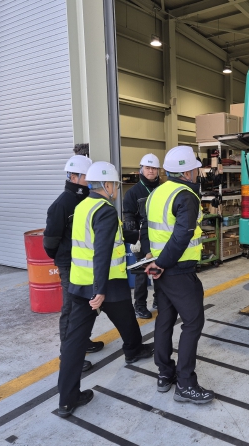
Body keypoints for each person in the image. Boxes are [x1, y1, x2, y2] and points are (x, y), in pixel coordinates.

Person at [57, 161, 154, 418]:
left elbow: (101, 238)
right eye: (116, 186)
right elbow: (101, 251)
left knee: (75, 341)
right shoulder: (105, 210)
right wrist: (99, 290)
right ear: (108, 185)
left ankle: (67, 399)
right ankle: (133, 351)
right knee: (126, 318)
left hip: (79, 283)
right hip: (105, 284)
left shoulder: (82, 206)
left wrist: (134, 238)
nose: (117, 190)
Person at [144, 145, 214, 404]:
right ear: (187, 172)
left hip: (160, 268)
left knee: (165, 319)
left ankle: (165, 373)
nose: (197, 172)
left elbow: (147, 229)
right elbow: (182, 236)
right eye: (195, 168)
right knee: (193, 322)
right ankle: (185, 383)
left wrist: (153, 260)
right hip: (178, 269)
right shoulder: (186, 196)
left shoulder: (156, 193)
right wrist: (162, 263)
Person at [44, 154, 102, 373]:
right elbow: (50, 242)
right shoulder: (62, 204)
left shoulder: (86, 200)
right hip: (70, 265)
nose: (91, 180)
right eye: (87, 176)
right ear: (73, 176)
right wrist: (63, 258)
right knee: (70, 308)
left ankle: (82, 342)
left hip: (85, 263)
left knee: (87, 305)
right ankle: (68, 355)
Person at [123, 153, 161, 319]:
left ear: (158, 170)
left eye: (154, 168)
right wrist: (133, 234)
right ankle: (139, 306)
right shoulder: (133, 192)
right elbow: (128, 214)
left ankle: (159, 300)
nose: (151, 171)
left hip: (159, 237)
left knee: (160, 269)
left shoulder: (163, 189)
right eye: (147, 168)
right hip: (141, 238)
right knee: (141, 274)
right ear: (141, 169)